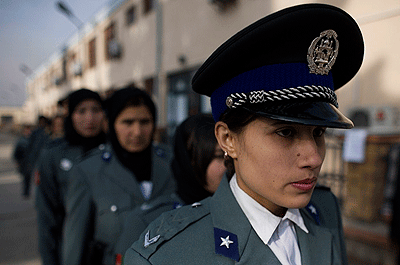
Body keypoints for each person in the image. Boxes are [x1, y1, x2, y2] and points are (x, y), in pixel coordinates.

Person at [124, 3, 364, 264]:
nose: (314, 158)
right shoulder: (170, 255)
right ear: (228, 139)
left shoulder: (324, 210)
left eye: (319, 132)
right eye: (285, 132)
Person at [62, 85, 176, 265]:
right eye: (128, 122)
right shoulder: (89, 171)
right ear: (111, 124)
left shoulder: (172, 161)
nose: (137, 132)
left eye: (145, 122)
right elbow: (76, 243)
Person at [113, 113, 226, 263]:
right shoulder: (149, 221)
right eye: (218, 156)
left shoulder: (242, 213)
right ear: (189, 161)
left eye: (231, 155)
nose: (228, 165)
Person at [35, 88, 107, 265]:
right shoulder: (53, 155)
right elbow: (46, 217)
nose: (89, 118)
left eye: (96, 110)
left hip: (110, 249)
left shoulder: (114, 151)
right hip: (69, 248)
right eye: (81, 111)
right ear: (71, 115)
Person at [21, 115, 50, 198]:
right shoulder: (35, 132)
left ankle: (42, 193)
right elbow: (29, 145)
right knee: (28, 175)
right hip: (33, 158)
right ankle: (26, 192)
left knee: (42, 177)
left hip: (43, 158)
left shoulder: (47, 132)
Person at [12, 124, 33, 198]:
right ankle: (26, 192)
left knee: (30, 177)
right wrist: (17, 162)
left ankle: (28, 191)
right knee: (26, 177)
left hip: (31, 162)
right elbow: (16, 152)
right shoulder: (20, 141)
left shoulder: (33, 140)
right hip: (23, 162)